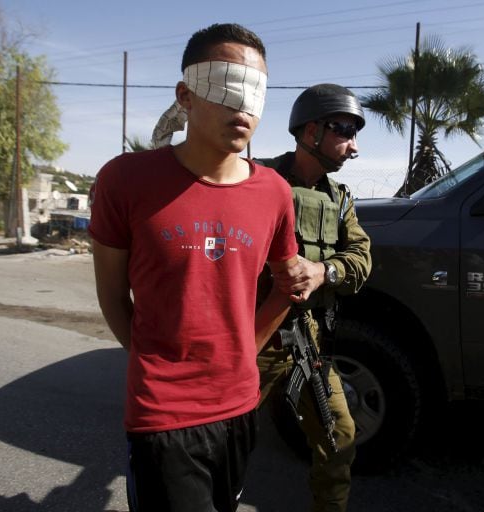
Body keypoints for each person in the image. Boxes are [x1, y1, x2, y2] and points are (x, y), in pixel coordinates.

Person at [88, 23, 309, 512]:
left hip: (240, 409)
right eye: (228, 86)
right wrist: (155, 362)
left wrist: (243, 354)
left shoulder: (274, 191)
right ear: (186, 95)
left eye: (256, 92)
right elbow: (111, 293)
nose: (244, 106)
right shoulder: (125, 180)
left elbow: (287, 282)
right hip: (162, 415)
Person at [256, 83, 373, 512]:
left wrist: (324, 271)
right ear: (311, 132)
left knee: (338, 436)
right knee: (222, 436)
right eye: (344, 131)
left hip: (310, 339)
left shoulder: (339, 200)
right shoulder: (258, 180)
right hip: (259, 334)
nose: (353, 147)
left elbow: (361, 257)